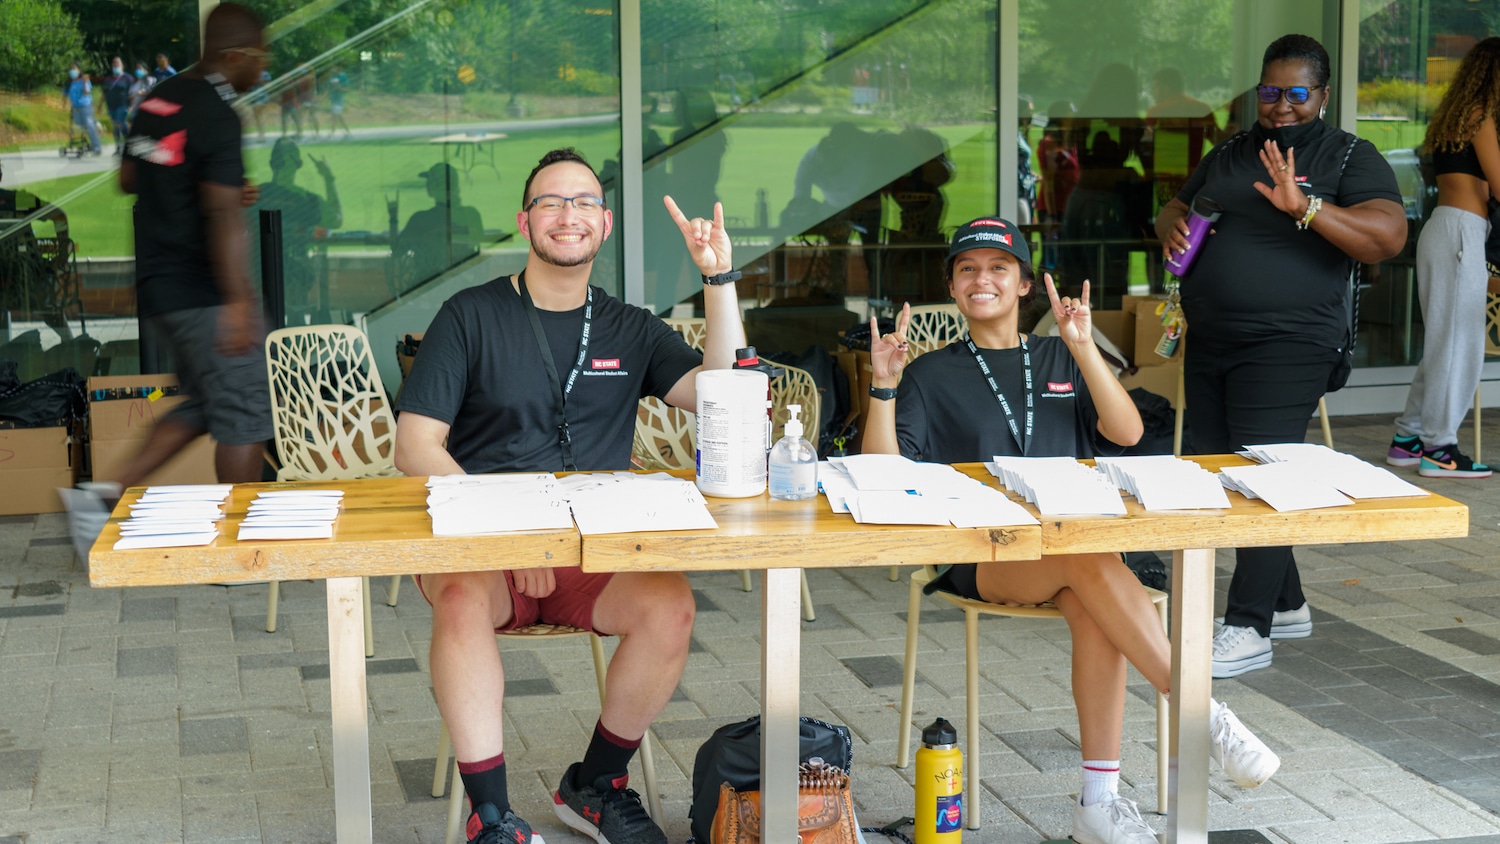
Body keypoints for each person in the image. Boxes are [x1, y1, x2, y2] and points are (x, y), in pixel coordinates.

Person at [864, 217, 1280, 844]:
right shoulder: (929, 373)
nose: (983, 279)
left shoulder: (1060, 352)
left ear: (1025, 284)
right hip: (984, 553)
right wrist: (884, 386)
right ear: (951, 287)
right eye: (968, 269)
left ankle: (1099, 803)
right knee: (1089, 564)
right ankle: (1199, 712)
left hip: (1077, 548)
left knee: (1092, 599)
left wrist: (1084, 346)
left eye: (999, 268)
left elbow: (1129, 433)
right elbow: (881, 475)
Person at [393, 147, 748, 844]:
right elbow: (415, 447)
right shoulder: (469, 315)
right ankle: (490, 815)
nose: (568, 215)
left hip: (593, 546)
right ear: (525, 221)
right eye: (552, 202)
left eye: (584, 202)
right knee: (461, 601)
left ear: (605, 224)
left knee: (671, 605)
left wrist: (719, 279)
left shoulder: (631, 326)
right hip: (484, 547)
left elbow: (721, 395)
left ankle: (595, 782)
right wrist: (507, 536)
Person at [1154, 34, 1406, 678]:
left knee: (1265, 476)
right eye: (1272, 92)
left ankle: (1249, 626)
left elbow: (1385, 236)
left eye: (1298, 93)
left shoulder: (1349, 154)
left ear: (1322, 95)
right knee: (1220, 475)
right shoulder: (1231, 152)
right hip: (1213, 337)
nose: (1283, 105)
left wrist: (1308, 206)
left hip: (1293, 342)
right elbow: (1180, 204)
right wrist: (1170, 224)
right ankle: (1287, 603)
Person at [106, 3, 271, 497]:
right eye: (257, 58)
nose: (261, 70)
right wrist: (239, 301)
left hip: (160, 287)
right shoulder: (218, 115)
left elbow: (129, 177)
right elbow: (222, 217)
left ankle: (103, 496)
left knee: (205, 402)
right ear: (235, 54)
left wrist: (204, 181)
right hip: (205, 293)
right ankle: (241, 544)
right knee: (245, 410)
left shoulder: (159, 99)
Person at [1389, 37, 1500, 480]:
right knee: (1460, 347)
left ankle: (1408, 439)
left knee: (1444, 344)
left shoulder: (1458, 115)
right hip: (1460, 232)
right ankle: (1440, 448)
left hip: (1447, 229)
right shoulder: (1481, 116)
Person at [255, 138, 342, 315]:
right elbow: (337, 220)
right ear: (293, 163)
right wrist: (328, 177)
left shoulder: (255, 195)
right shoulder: (308, 201)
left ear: (273, 163)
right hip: (296, 279)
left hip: (258, 278)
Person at [394, 162, 485, 286]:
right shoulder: (472, 215)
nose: (427, 187)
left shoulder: (421, 219)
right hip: (465, 283)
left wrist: (393, 221)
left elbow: (397, 250)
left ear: (433, 188)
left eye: (430, 183)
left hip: (426, 289)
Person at [64, 63, 103, 155]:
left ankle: (97, 147)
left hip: (85, 105)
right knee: (79, 122)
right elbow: (65, 94)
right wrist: (64, 104)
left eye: (74, 69)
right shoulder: (69, 82)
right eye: (71, 69)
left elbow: (86, 93)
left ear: (79, 71)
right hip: (75, 106)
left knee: (89, 126)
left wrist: (85, 82)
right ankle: (95, 122)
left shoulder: (84, 81)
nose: (72, 71)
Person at [101, 57, 133, 155]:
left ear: (122, 65)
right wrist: (99, 105)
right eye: (114, 63)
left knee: (120, 122)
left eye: (117, 63)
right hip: (111, 106)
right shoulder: (108, 78)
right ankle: (119, 146)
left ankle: (129, 141)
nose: (115, 65)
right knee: (116, 126)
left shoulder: (128, 78)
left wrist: (131, 106)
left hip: (123, 105)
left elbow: (132, 93)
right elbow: (104, 93)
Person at [326, 65, 352, 140]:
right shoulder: (331, 77)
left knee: (335, 116)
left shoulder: (343, 76)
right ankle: (347, 133)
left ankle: (332, 133)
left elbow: (347, 88)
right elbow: (328, 88)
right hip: (333, 99)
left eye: (334, 67)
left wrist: (339, 87)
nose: (332, 69)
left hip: (339, 99)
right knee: (339, 117)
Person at [126, 62, 154, 130]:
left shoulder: (150, 80)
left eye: (140, 68)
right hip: (136, 108)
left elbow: (152, 91)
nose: (138, 70)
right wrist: (131, 105)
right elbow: (131, 96)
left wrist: (143, 93)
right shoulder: (134, 83)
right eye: (137, 68)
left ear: (146, 71)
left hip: (146, 108)